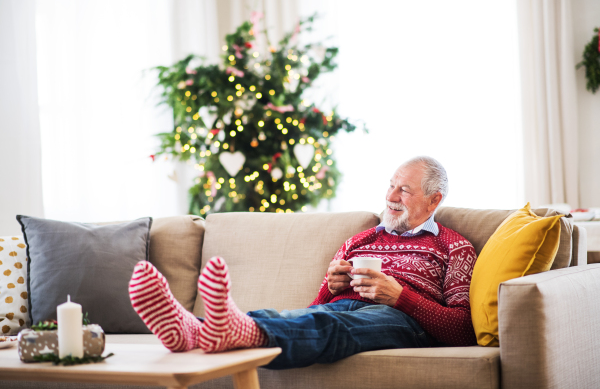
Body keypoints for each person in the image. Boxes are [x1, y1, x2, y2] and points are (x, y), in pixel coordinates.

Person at [128, 156, 478, 369]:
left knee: (334, 329)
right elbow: (315, 308)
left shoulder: (453, 246)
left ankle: (215, 330)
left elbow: (464, 332)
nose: (390, 197)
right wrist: (333, 286)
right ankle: (193, 329)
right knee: (304, 318)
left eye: (404, 190)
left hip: (403, 321)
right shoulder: (362, 239)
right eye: (390, 186)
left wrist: (400, 296)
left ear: (434, 200)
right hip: (345, 308)